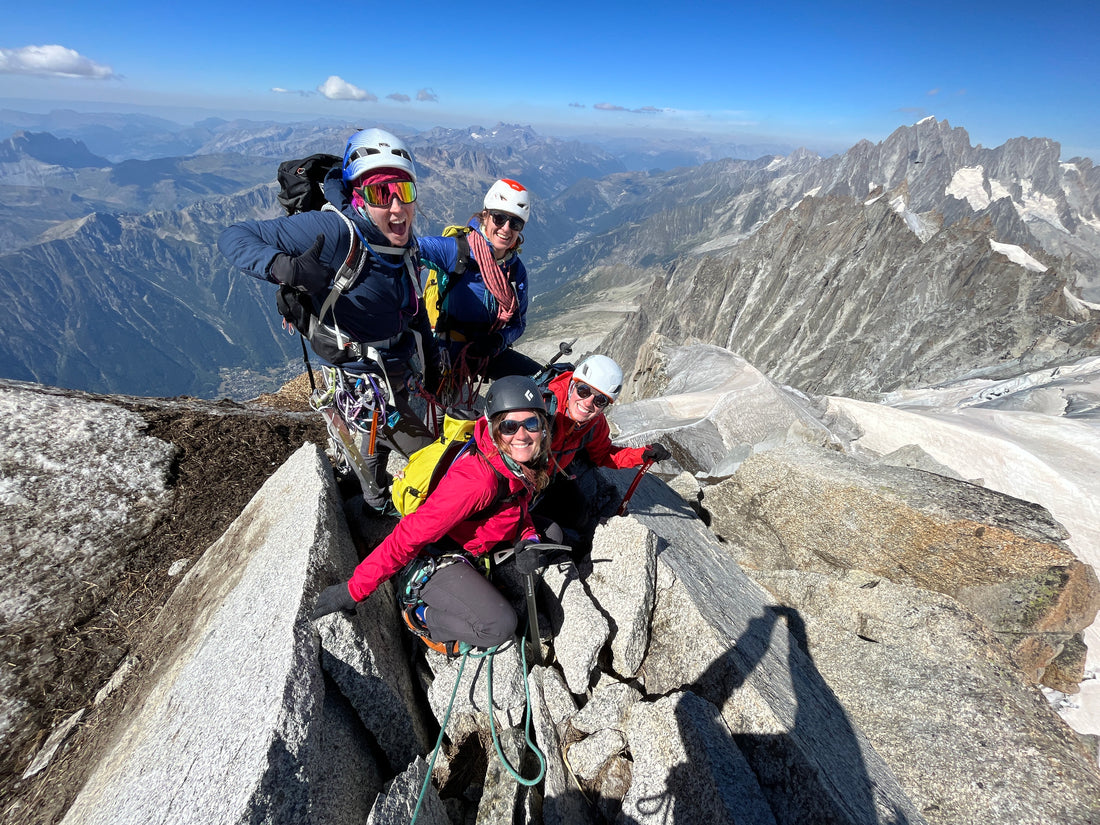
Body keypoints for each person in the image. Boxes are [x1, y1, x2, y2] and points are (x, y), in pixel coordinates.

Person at [218, 128, 438, 514]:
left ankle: (368, 493)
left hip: (397, 369)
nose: (397, 207)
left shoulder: (404, 242)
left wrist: (432, 359)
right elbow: (235, 236)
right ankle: (373, 505)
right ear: (357, 197)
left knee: (373, 453)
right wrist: (283, 267)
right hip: (361, 382)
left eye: (404, 191)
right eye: (380, 194)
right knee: (428, 464)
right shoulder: (335, 231)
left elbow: (412, 306)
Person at [310, 375, 557, 655]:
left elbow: (518, 506)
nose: (522, 435)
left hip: (475, 547)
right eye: (510, 426)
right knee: (498, 626)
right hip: (436, 557)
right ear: (495, 428)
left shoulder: (517, 464)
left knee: (552, 535)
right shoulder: (479, 481)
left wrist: (530, 538)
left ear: (542, 428)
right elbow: (409, 535)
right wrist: (353, 590)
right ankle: (420, 616)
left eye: (532, 424)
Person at [418, 179, 541, 400]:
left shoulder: (514, 271)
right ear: (485, 215)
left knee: (543, 383)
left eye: (515, 223)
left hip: (485, 352)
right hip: (445, 353)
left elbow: (518, 323)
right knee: (439, 416)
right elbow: (413, 249)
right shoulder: (457, 250)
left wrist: (498, 341)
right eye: (499, 217)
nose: (506, 228)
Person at [535, 354, 671, 535]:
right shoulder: (541, 406)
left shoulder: (595, 423)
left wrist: (642, 454)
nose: (588, 402)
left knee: (582, 522)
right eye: (583, 391)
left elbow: (603, 454)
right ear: (572, 385)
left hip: (549, 480)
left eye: (600, 400)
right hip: (520, 485)